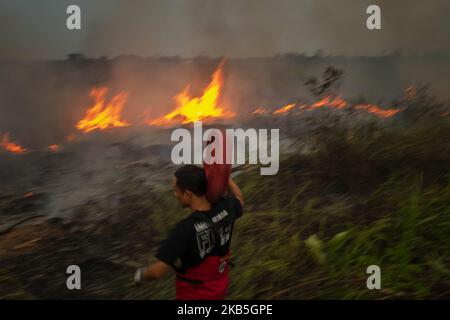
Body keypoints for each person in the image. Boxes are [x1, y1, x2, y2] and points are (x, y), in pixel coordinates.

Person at [134, 164, 244, 300]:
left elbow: (157, 272)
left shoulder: (185, 229)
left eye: (176, 190)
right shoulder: (226, 208)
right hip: (219, 291)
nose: (175, 194)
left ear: (187, 194)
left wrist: (141, 274)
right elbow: (239, 198)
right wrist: (224, 177)